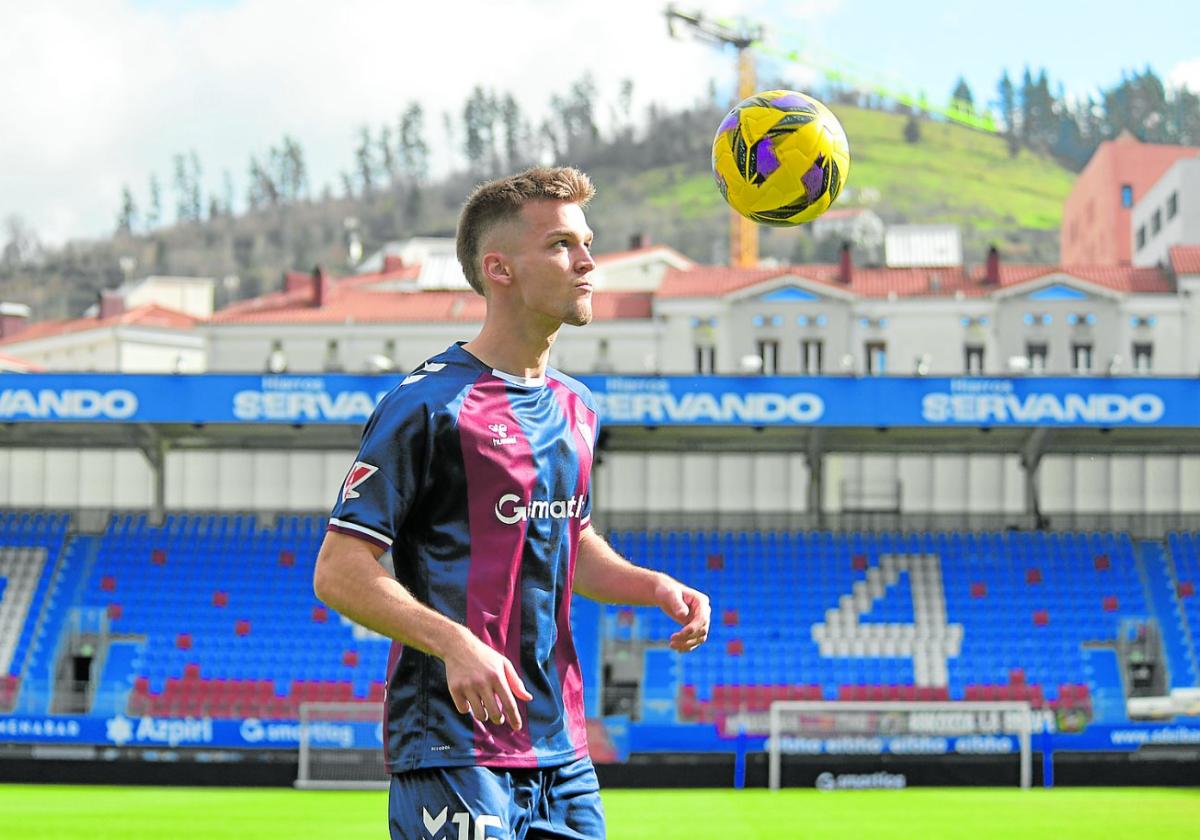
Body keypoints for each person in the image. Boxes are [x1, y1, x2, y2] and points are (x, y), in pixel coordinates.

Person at [313, 166, 711, 840]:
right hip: (453, 745)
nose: (588, 262)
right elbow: (339, 570)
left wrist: (652, 585)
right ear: (499, 269)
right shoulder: (427, 405)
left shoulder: (575, 408)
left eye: (587, 242)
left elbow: (563, 541)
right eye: (561, 245)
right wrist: (454, 642)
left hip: (562, 749)